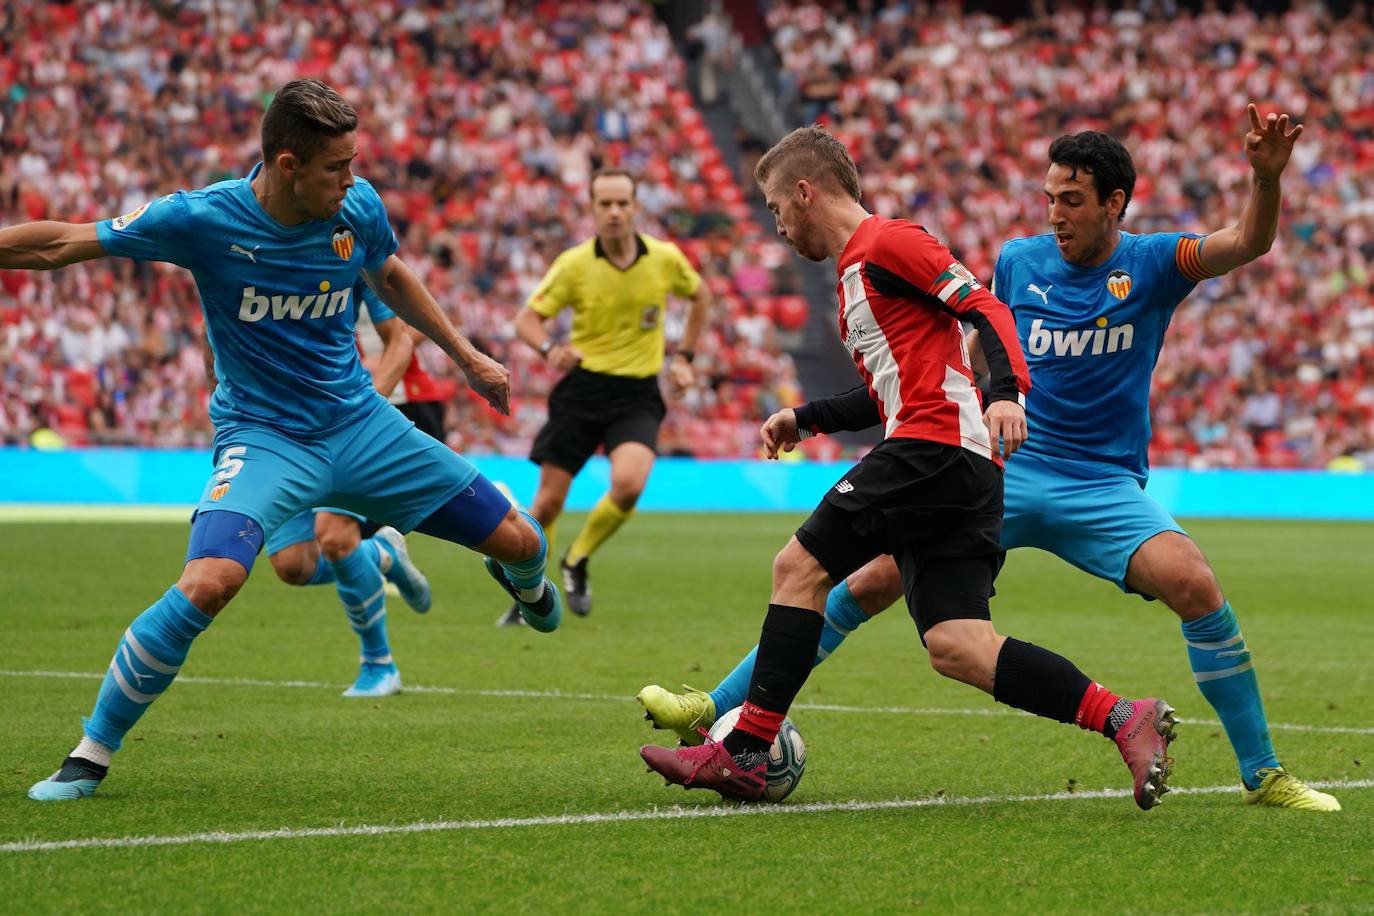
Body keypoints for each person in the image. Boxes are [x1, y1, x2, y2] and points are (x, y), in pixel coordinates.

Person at [641, 109, 1339, 812]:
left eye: (1072, 201)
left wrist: (1264, 177)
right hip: (1002, 462)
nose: (1057, 215)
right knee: (883, 593)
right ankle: (719, 706)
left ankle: (1263, 771)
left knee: (1193, 583)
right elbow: (959, 357)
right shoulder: (1020, 261)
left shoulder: (1156, 261)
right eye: (1049, 199)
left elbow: (1248, 241)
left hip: (1095, 481)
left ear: (1114, 203)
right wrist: (825, 415)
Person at [3, 79, 561, 802]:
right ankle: (89, 754)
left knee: (522, 542)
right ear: (288, 164)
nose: (354, 180)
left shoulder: (357, 208)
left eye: (355, 163)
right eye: (338, 167)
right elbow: (62, 243)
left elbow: (388, 273)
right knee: (212, 580)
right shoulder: (202, 218)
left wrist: (468, 356)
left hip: (361, 424)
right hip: (264, 439)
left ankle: (527, 582)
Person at [496, 167, 712, 625]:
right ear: (592, 210)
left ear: (636, 207)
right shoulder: (574, 264)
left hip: (636, 393)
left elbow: (701, 297)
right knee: (548, 503)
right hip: (582, 390)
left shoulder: (665, 258)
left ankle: (577, 559)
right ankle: (531, 590)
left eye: (622, 203)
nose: (614, 212)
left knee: (630, 484)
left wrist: (686, 357)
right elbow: (526, 320)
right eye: (605, 204)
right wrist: (549, 348)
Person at [257, 280, 437, 700]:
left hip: (343, 420)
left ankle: (379, 663)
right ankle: (381, 554)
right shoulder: (244, 255)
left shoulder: (350, 258)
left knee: (336, 536)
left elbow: (407, 328)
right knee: (292, 565)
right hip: (277, 427)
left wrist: (366, 409)